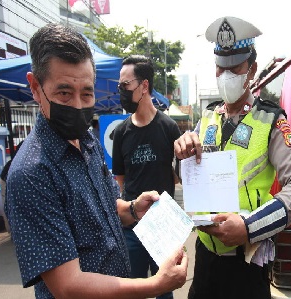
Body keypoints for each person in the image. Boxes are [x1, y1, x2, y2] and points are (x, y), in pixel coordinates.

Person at [5, 23, 187, 298]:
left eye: (87, 93)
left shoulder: (87, 141)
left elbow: (104, 206)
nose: (78, 106)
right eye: (64, 93)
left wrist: (134, 209)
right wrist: (156, 285)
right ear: (35, 87)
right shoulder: (31, 173)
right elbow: (68, 286)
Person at [174, 16, 291, 299]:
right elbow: (183, 173)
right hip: (206, 259)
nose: (226, 75)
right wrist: (180, 153)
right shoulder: (208, 117)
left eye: (234, 67)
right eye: (220, 67)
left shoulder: (270, 121)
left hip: (247, 263)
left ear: (252, 69)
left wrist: (250, 228)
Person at [112, 55, 181, 299]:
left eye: (125, 85)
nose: (121, 90)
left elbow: (178, 176)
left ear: (144, 86)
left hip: (164, 227)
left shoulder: (169, 127)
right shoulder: (121, 133)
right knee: (132, 291)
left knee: (164, 292)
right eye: (119, 85)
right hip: (131, 226)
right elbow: (120, 180)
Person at [0, 140, 25, 233]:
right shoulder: (24, 151)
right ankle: (12, 231)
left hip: (17, 179)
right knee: (8, 204)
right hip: (6, 180)